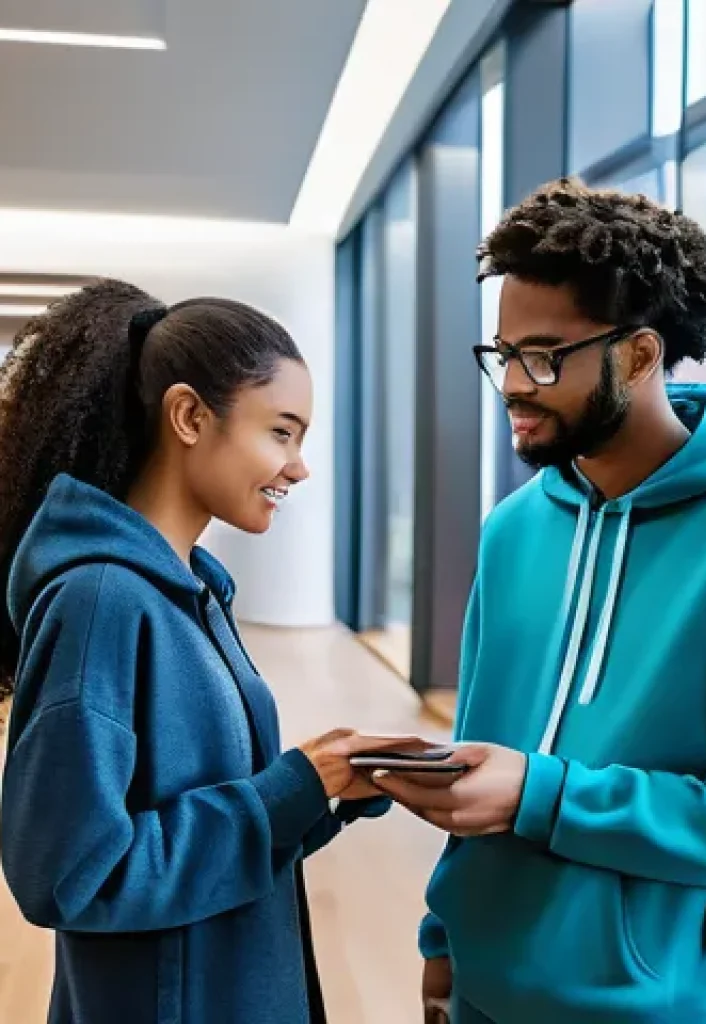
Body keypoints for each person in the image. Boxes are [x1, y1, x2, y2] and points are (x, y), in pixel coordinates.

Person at [372, 179, 706, 1023]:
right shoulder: (515, 529)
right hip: (487, 986)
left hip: (661, 1007)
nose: (514, 385)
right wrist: (444, 943)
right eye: (502, 354)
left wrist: (543, 794)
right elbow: (487, 749)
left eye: (544, 356)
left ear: (638, 355)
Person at [0, 280, 411, 1024]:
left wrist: (322, 793)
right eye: (281, 432)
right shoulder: (102, 603)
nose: (299, 466)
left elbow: (194, 814)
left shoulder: (188, 591)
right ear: (190, 416)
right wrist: (289, 789)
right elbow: (69, 873)